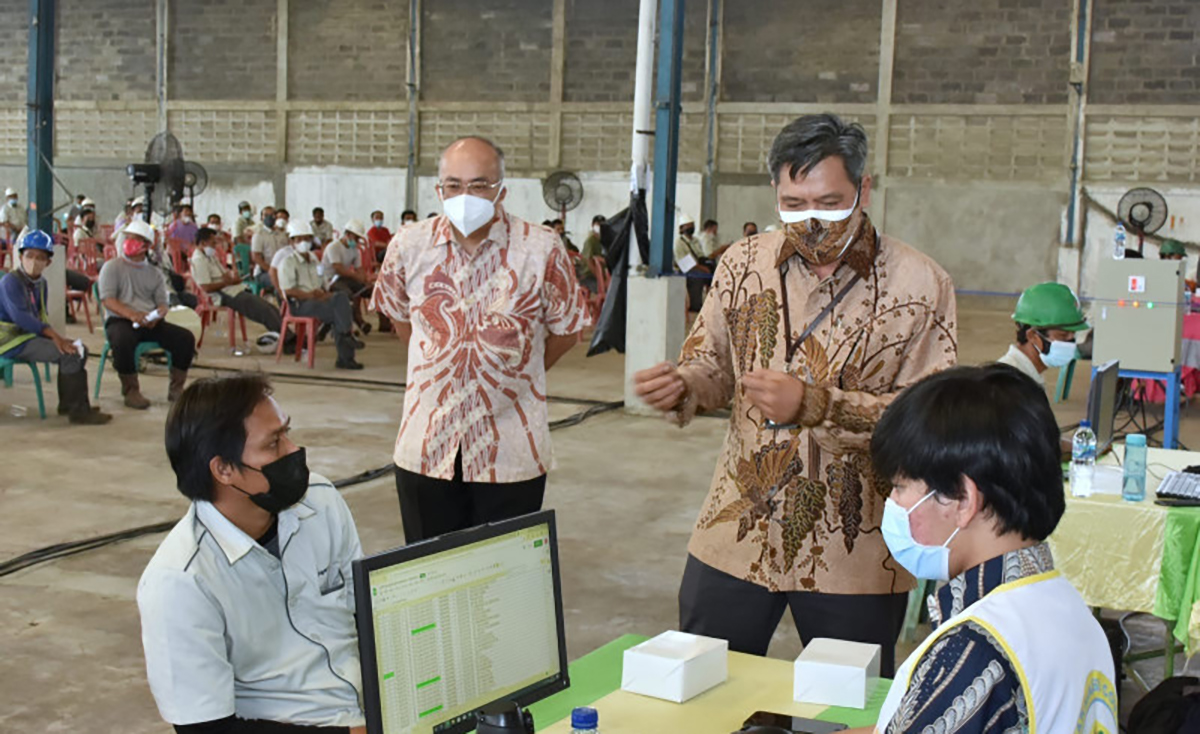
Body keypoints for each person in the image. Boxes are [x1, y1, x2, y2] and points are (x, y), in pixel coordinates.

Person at [633, 113, 957, 676]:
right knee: (704, 691)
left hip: (852, 551)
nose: (810, 222)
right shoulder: (741, 264)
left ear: (865, 189)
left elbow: (928, 424)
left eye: (829, 204)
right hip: (735, 533)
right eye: (793, 204)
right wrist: (684, 384)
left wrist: (815, 405)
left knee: (840, 709)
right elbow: (712, 363)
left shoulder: (920, 285)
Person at [862, 364, 1117, 733]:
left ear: (964, 499)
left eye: (901, 486)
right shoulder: (1073, 613)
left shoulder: (973, 653)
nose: (893, 502)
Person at [372, 136, 590, 542]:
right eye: (453, 185)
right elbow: (401, 319)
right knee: (428, 574)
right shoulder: (409, 245)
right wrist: (444, 361)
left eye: (479, 185)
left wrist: (518, 374)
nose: (464, 195)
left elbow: (567, 330)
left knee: (502, 582)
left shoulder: (541, 248)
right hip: (426, 450)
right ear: (439, 189)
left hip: (509, 451)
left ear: (501, 189)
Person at [139, 373, 367, 734]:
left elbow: (364, 616)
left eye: (286, 433)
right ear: (224, 469)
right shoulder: (180, 583)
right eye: (274, 444)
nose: (293, 451)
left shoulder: (321, 502)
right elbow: (207, 729)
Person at [0, 230, 111, 424]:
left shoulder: (40, 283)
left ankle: (70, 405)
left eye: (40, 257)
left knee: (77, 349)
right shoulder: (10, 282)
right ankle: (78, 412)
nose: (34, 261)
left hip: (27, 337)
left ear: (48, 262)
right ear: (20, 256)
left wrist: (58, 338)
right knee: (72, 354)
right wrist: (55, 337)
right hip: (9, 342)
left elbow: (41, 316)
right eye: (29, 256)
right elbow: (22, 318)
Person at [98, 219, 196, 409]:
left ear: (146, 246)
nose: (129, 242)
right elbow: (108, 300)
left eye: (135, 239)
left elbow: (162, 302)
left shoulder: (154, 273)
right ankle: (131, 390)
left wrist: (158, 314)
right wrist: (132, 314)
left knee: (185, 338)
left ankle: (176, 389)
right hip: (120, 320)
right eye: (128, 238)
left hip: (149, 321)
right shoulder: (112, 267)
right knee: (121, 339)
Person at [190, 227, 294, 353]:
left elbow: (224, 275)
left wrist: (232, 278)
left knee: (270, 307)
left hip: (231, 289)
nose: (215, 245)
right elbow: (206, 287)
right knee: (263, 310)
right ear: (203, 243)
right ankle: (289, 340)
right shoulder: (199, 260)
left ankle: (288, 337)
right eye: (213, 243)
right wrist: (227, 282)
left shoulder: (210, 257)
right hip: (221, 295)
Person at [276, 221, 363, 370]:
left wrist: (324, 293)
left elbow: (323, 281)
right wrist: (310, 295)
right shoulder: (288, 263)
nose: (303, 243)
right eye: (299, 239)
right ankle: (346, 355)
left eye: (307, 239)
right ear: (292, 242)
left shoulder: (314, 259)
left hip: (318, 298)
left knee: (341, 298)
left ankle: (346, 343)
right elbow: (288, 290)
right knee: (339, 313)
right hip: (301, 303)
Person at [996, 282, 1087, 387]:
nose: (1071, 343)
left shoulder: (1028, 375)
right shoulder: (1008, 383)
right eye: (1063, 335)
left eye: (1073, 334)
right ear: (1033, 335)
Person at [321, 219, 374, 334]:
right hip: (330, 280)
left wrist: (364, 281)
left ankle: (386, 324)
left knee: (372, 290)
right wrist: (357, 277)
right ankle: (352, 324)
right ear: (348, 234)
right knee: (347, 294)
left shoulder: (354, 250)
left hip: (345, 279)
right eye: (356, 238)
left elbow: (359, 269)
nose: (357, 241)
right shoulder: (333, 247)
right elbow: (338, 268)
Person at [675, 213, 712, 312]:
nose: (690, 228)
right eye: (688, 226)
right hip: (688, 271)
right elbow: (684, 263)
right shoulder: (679, 243)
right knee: (697, 277)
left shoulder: (696, 241)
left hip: (699, 268)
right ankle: (695, 307)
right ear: (682, 228)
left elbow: (700, 255)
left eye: (692, 225)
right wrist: (702, 268)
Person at [250, 206, 284, 294]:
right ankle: (281, 305)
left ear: (276, 217)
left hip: (282, 269)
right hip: (264, 272)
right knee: (282, 282)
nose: (269, 217)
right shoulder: (259, 235)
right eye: (266, 215)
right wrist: (272, 271)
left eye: (272, 215)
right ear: (262, 218)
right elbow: (256, 257)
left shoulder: (281, 234)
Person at [576, 214, 605, 292]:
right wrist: (600, 279)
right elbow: (589, 262)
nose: (600, 226)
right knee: (601, 290)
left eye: (602, 224)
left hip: (601, 274)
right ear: (592, 225)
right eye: (598, 224)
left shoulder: (604, 241)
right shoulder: (590, 241)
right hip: (588, 275)